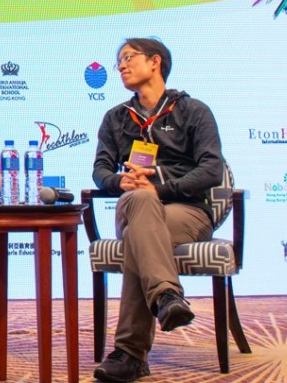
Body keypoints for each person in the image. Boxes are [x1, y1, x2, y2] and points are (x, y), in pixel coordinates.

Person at [91, 38, 225, 383]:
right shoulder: (116, 118)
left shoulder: (193, 111)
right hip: (133, 206)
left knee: (142, 236)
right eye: (118, 60)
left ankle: (130, 354)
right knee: (141, 203)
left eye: (128, 58)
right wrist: (119, 182)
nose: (120, 65)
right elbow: (100, 171)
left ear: (155, 62)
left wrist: (160, 188)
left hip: (186, 213)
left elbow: (211, 170)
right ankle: (166, 294)